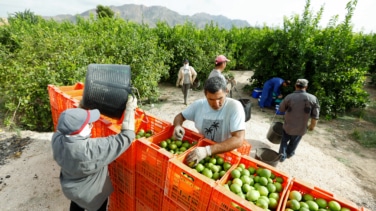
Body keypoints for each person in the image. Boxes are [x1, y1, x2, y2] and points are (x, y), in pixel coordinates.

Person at [51, 96, 138, 211]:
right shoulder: (91, 150)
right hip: (92, 196)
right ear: (79, 130)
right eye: (88, 124)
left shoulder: (56, 139)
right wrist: (130, 109)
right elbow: (127, 136)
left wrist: (82, 108)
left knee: (77, 205)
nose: (91, 125)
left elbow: (70, 124)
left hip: (72, 190)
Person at [173, 76, 245, 166]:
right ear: (205, 94)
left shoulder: (234, 107)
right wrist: (177, 126)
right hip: (200, 154)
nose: (216, 104)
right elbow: (180, 116)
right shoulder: (199, 105)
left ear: (226, 91)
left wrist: (207, 151)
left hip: (226, 156)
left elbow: (239, 139)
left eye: (220, 98)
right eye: (211, 99)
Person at [277, 79, 320, 162]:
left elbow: (281, 109)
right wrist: (312, 126)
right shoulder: (313, 98)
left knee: (284, 140)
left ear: (295, 86)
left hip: (288, 125)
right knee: (295, 141)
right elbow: (315, 116)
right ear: (306, 87)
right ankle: (289, 153)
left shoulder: (289, 97)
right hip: (301, 127)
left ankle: (282, 155)